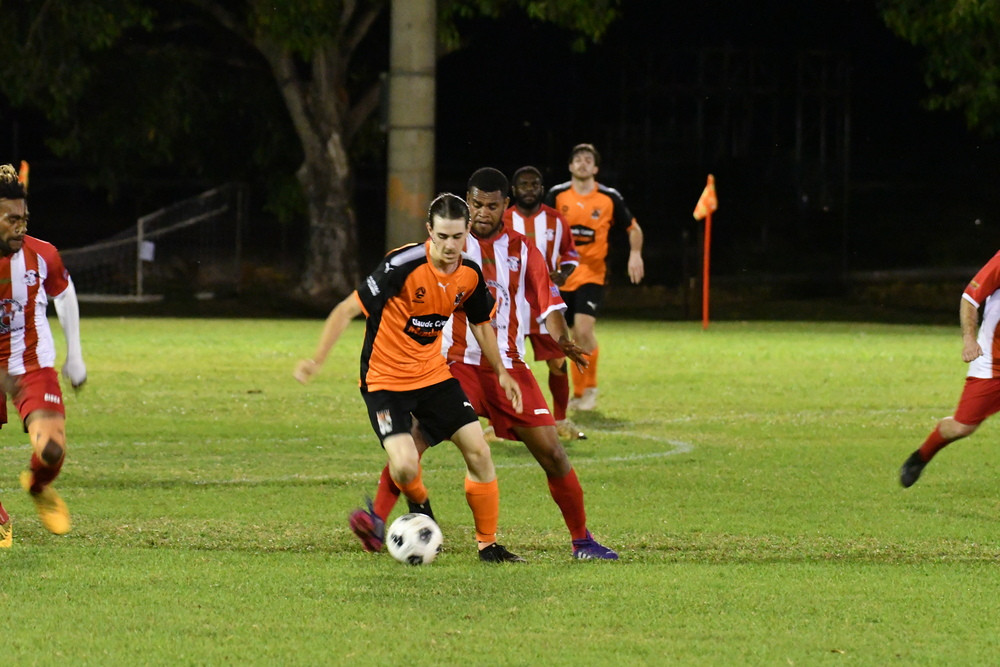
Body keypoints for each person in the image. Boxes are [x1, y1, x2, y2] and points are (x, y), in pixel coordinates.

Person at [356, 168, 619, 560]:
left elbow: (548, 303)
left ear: (505, 207)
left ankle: (582, 540)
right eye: (476, 204)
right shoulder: (453, 247)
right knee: (414, 441)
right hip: (456, 365)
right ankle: (376, 521)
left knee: (553, 453)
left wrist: (562, 338)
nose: (482, 212)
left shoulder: (524, 250)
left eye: (492, 206)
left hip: (508, 366)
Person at [294, 192, 525, 563]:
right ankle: (421, 506)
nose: (450, 246)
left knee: (479, 451)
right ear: (429, 232)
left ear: (468, 232)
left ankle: (489, 545)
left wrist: (502, 372)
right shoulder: (401, 265)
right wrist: (316, 360)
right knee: (403, 465)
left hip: (433, 376)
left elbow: (481, 322)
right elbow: (345, 309)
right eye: (442, 237)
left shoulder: (469, 272)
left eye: (457, 237)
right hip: (384, 381)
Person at [0, 163, 87, 548]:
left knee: (53, 451)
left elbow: (64, 295)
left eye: (24, 218)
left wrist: (75, 356)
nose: (20, 226)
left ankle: (37, 487)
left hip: (31, 363)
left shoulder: (42, 256)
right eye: (11, 219)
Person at [545, 143, 645, 411]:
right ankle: (576, 393)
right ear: (570, 166)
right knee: (563, 336)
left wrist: (635, 254)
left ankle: (588, 389)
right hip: (560, 276)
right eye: (577, 159)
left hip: (592, 274)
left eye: (588, 159)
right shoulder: (557, 195)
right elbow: (538, 226)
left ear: (596, 168)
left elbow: (633, 229)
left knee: (584, 330)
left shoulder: (609, 198)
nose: (582, 163)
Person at [901, 250, 1000, 487]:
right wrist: (969, 338)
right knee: (961, 427)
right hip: (992, 365)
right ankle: (921, 456)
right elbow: (970, 297)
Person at [503, 165, 585, 441]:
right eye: (523, 185)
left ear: (541, 188)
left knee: (558, 362)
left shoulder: (555, 220)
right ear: (514, 191)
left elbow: (571, 253)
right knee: (500, 364)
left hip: (543, 305)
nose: (529, 189)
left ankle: (561, 420)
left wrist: (564, 273)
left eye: (534, 184)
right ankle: (498, 423)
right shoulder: (501, 221)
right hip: (509, 306)